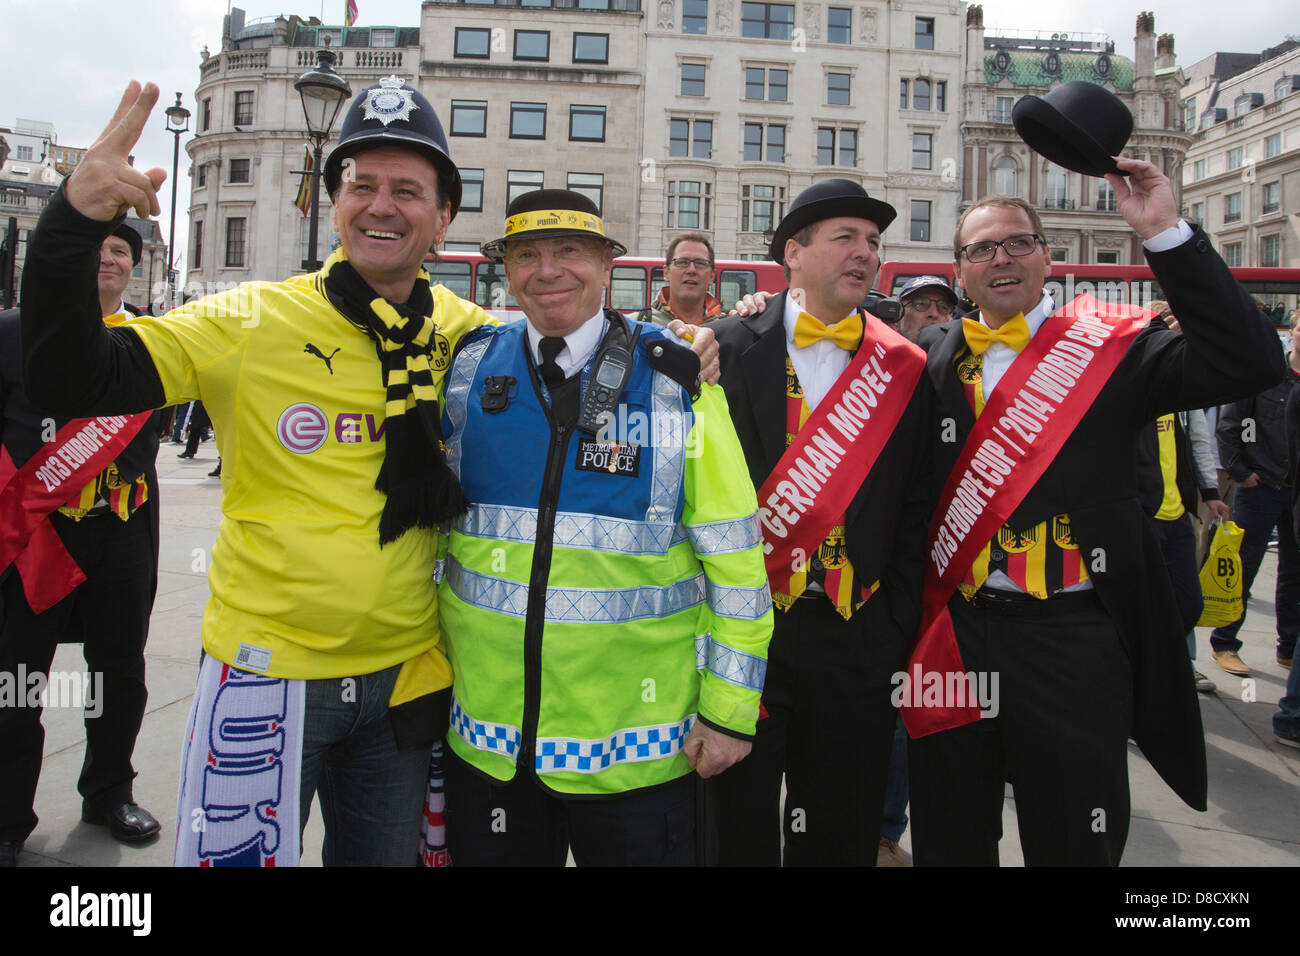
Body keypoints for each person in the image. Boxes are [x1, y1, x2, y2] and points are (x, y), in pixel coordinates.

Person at [20, 79, 718, 867]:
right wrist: (73, 222)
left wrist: (677, 344)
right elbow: (68, 378)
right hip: (268, 673)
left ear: (444, 217)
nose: (381, 206)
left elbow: (579, 332)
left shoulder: (477, 341)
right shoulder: (250, 320)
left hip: (408, 683)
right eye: (362, 186)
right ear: (335, 200)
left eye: (408, 191)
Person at [906, 159, 1286, 866]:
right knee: (949, 839)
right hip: (954, 635)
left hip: (1072, 642)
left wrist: (1166, 233)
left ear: (1048, 256)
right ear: (959, 272)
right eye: (982, 248)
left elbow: (1248, 361)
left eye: (1018, 242)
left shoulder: (1115, 348)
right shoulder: (933, 353)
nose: (1001, 258)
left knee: (1074, 842)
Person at [436, 189, 771, 865]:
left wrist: (729, 714)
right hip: (490, 745)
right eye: (527, 254)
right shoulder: (467, 370)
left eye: (569, 251)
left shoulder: (674, 379)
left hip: (637, 755)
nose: (547, 269)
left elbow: (737, 560)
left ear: (605, 265)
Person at [708, 178, 935, 865]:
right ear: (793, 254)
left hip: (856, 641)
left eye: (872, 242)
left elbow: (917, 508)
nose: (864, 253)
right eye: (845, 238)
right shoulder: (723, 346)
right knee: (733, 826)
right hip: (746, 637)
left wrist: (891, 624)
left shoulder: (905, 365)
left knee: (838, 830)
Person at [1, 224, 163, 865]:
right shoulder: (14, 331)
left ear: (134, 267)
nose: (109, 259)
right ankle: (8, 815)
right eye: (96, 250)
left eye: (121, 250)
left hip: (122, 533)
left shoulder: (156, 341)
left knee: (119, 672)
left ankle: (108, 792)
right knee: (17, 679)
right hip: (35, 537)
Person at [1211, 313, 1300, 674]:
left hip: (1296, 492)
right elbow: (1232, 426)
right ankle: (1225, 642)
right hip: (1262, 486)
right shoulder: (1267, 377)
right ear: (1292, 334)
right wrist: (1242, 472)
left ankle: (1288, 647)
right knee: (1243, 566)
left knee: (1294, 573)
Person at [648, 232, 725, 327]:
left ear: (711, 276)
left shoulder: (728, 330)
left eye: (700, 263)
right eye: (682, 262)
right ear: (666, 272)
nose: (691, 270)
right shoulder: (634, 327)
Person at [897, 274, 958, 342]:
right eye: (921, 304)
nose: (934, 314)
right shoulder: (887, 350)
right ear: (900, 314)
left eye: (943, 307)